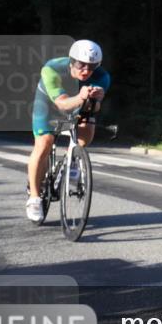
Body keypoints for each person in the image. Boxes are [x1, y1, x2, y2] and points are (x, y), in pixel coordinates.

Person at [26, 40, 111, 221]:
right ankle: (34, 197)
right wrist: (81, 97)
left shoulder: (102, 77)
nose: (86, 70)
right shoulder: (52, 69)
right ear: (72, 61)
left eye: (92, 66)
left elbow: (93, 109)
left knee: (88, 127)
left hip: (78, 103)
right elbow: (62, 104)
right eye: (81, 65)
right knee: (44, 143)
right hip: (49, 104)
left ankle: (73, 158)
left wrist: (96, 101)